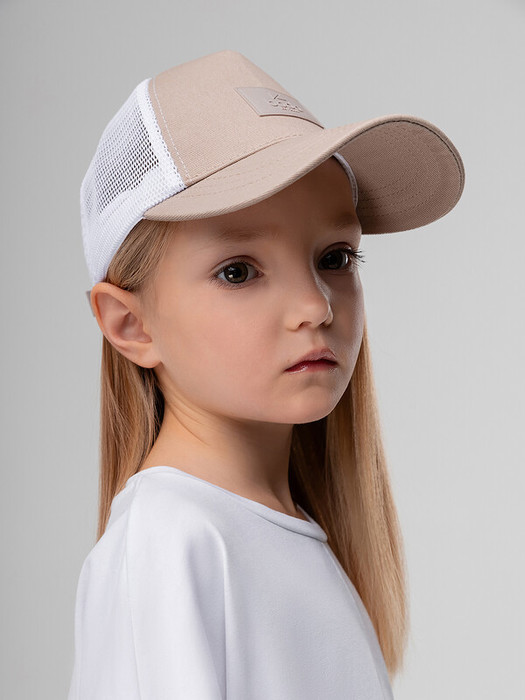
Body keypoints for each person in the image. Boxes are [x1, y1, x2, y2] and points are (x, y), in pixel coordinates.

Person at [67, 49, 465, 699]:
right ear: (130, 325)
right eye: (238, 271)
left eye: (335, 257)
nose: (315, 306)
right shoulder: (171, 540)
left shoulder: (277, 534)